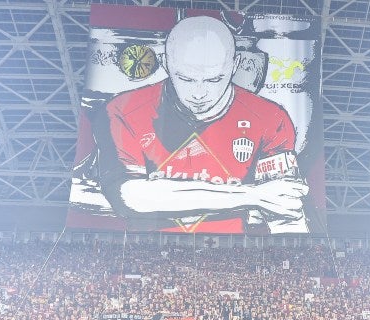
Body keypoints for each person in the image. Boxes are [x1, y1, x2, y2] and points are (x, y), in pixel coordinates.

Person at [94, 15, 308, 233]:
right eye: (186, 79)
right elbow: (130, 198)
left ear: (235, 66)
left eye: (214, 80)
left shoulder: (271, 118)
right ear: (166, 62)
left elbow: (284, 210)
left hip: (233, 252)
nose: (199, 94)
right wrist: (253, 196)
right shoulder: (123, 110)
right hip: (146, 247)